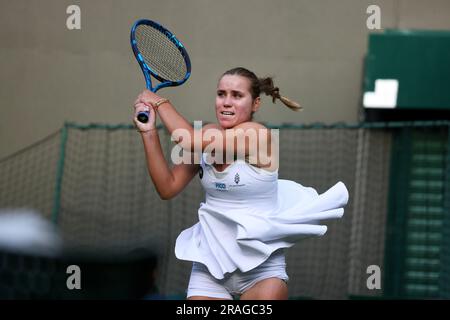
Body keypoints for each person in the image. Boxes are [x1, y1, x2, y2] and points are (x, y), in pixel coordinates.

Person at [133, 67, 349, 300]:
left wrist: (158, 101)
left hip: (262, 271)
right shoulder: (205, 136)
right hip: (210, 267)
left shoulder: (258, 135)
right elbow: (168, 187)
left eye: (237, 95)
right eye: (221, 94)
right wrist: (148, 132)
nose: (226, 102)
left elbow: (188, 139)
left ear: (255, 104)